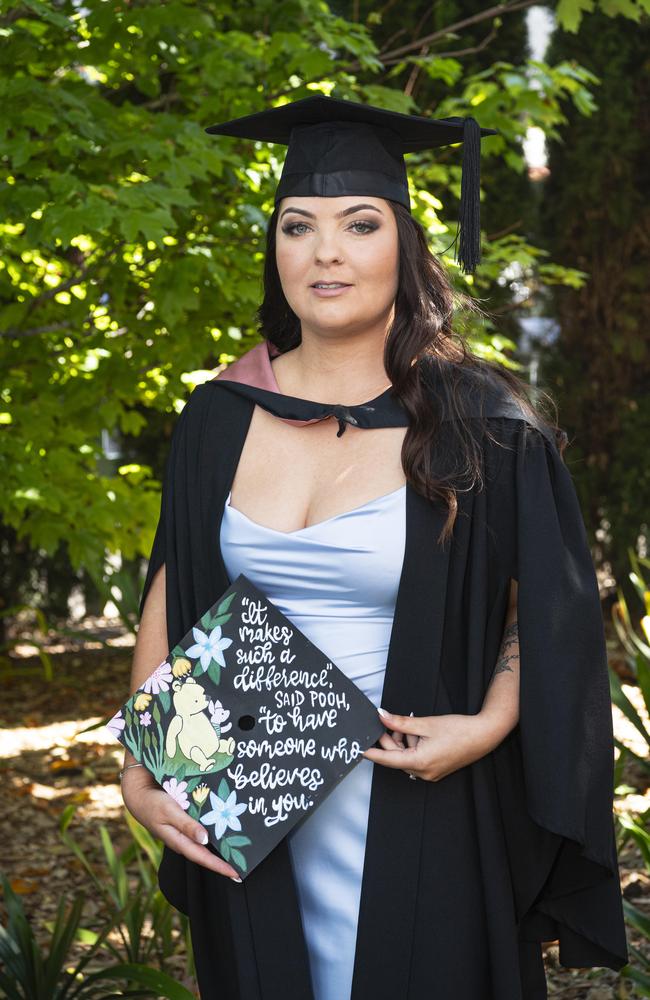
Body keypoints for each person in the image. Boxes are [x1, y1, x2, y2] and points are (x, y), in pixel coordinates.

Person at [119, 96, 628, 999]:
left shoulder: (480, 425)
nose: (326, 252)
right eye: (297, 226)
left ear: (406, 246)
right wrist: (143, 763)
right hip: (246, 795)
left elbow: (543, 606)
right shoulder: (216, 420)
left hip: (421, 802)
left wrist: (491, 723)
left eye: (360, 223)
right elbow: (176, 580)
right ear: (274, 253)